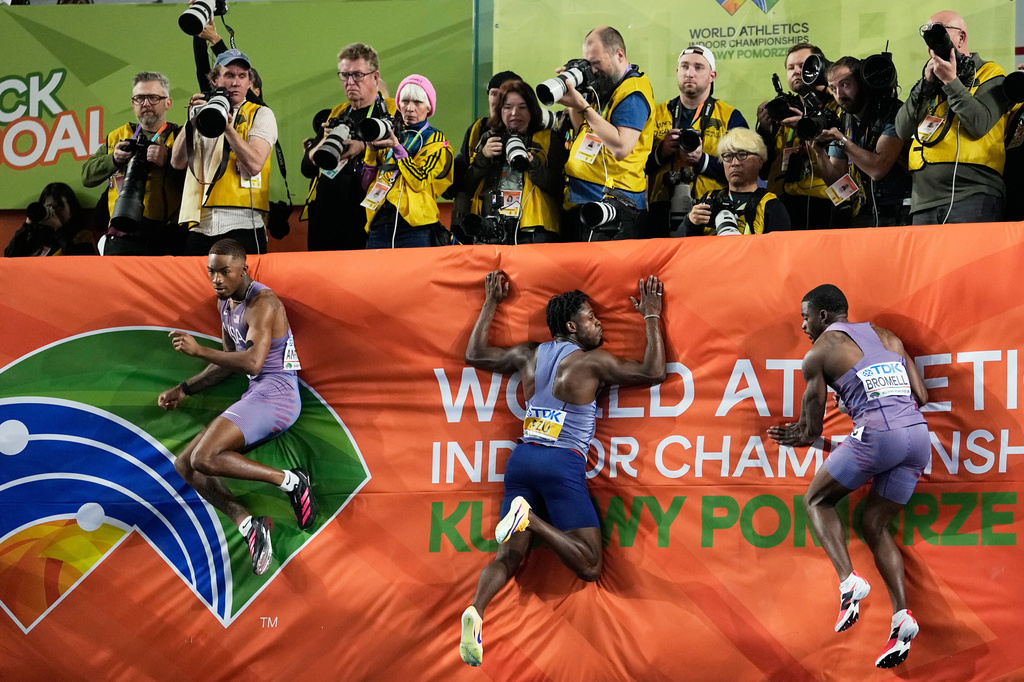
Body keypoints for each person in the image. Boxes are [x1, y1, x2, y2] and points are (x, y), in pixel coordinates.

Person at [458, 270, 666, 667]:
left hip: (521, 461)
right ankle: (531, 521)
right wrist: (652, 315)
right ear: (571, 326)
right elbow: (653, 371)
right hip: (560, 464)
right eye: (591, 317)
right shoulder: (593, 362)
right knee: (589, 565)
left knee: (508, 557)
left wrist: (491, 302)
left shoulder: (528, 354)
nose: (599, 323)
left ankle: (476, 609)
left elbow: (475, 354)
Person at [767, 284, 929, 669]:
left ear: (822, 316)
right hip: (918, 439)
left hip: (878, 436)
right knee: (873, 523)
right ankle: (901, 617)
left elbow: (809, 429)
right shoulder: (888, 337)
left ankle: (848, 581)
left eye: (805, 316)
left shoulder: (819, 354)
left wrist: (803, 437)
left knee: (816, 500)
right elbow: (920, 397)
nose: (803, 325)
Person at [158, 238, 317, 576]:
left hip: (277, 396)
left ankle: (291, 481)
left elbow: (254, 362)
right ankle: (249, 526)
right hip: (255, 394)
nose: (217, 280)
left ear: (243, 269)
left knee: (203, 458)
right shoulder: (225, 303)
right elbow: (230, 361)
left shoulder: (263, 303)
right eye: (211, 272)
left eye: (224, 272)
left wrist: (199, 350)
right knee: (185, 465)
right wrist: (185, 388)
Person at [895, 10, 1010, 225]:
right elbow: (902, 130)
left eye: (939, 33)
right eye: (928, 36)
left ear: (961, 37)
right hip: (923, 201)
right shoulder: (930, 79)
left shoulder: (990, 73)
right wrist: (926, 86)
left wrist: (951, 82)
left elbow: (979, 124)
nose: (932, 42)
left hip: (972, 195)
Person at [171, 49, 277, 256]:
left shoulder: (261, 114)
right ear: (215, 80)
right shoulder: (203, 114)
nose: (235, 82)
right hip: (200, 223)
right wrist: (191, 121)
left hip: (243, 222)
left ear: (249, 82)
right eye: (229, 75)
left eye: (242, 76)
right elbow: (177, 162)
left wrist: (227, 128)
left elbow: (255, 164)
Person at [557, 26, 656, 241]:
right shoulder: (604, 83)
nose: (592, 70)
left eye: (596, 63)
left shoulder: (633, 92)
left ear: (619, 54)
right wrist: (575, 96)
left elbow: (621, 147)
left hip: (615, 206)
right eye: (587, 63)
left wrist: (583, 106)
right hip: (584, 200)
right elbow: (582, 129)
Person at [301, 43, 397, 251]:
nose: (350, 82)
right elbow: (306, 169)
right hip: (325, 217)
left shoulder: (391, 112)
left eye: (357, 75)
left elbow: (401, 157)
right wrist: (321, 145)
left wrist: (363, 147)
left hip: (365, 217)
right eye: (344, 75)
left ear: (375, 77)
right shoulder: (337, 113)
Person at [647, 45, 748, 237]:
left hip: (710, 211)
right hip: (660, 212)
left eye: (698, 67)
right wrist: (660, 153)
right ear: (677, 71)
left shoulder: (730, 117)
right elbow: (633, 164)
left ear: (712, 75)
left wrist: (702, 161)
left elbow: (745, 172)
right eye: (684, 67)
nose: (689, 73)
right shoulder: (655, 114)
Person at [82, 72, 185, 255]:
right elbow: (87, 176)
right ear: (133, 103)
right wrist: (114, 159)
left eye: (153, 98)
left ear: (168, 102)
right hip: (122, 234)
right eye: (139, 98)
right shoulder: (118, 136)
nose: (146, 104)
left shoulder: (179, 137)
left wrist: (168, 161)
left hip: (166, 236)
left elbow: (199, 184)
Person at [756, 43, 853, 230]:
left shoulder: (838, 107)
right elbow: (763, 172)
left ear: (819, 67)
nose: (796, 71)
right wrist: (765, 132)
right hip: (780, 203)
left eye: (802, 66)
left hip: (823, 203)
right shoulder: (783, 110)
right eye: (790, 67)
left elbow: (846, 167)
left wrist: (809, 128)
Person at [808, 57, 911, 228]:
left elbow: (878, 169)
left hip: (900, 211)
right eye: (833, 88)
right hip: (864, 212)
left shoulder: (893, 112)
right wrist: (819, 153)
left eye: (845, 85)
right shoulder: (843, 120)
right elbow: (838, 184)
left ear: (862, 83)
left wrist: (842, 141)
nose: (839, 95)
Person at [460, 79, 567, 244]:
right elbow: (467, 185)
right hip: (492, 225)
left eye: (522, 107)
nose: (514, 113)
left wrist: (534, 166)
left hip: (535, 229)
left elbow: (560, 188)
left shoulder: (548, 138)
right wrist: (483, 157)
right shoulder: (489, 137)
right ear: (499, 110)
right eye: (507, 107)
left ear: (532, 110)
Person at [360, 74, 453, 248]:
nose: (410, 108)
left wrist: (397, 148)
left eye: (417, 102)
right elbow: (366, 183)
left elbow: (419, 181)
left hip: (415, 226)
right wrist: (371, 151)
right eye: (405, 101)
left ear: (428, 107)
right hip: (379, 221)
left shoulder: (436, 140)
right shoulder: (389, 133)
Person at [682, 127, 790, 236]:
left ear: (760, 161)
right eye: (728, 156)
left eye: (742, 155)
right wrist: (690, 223)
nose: (734, 163)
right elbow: (682, 242)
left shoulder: (770, 205)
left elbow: (779, 246)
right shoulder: (710, 199)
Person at [449, 69, 523, 222]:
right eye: (493, 94)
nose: (496, 101)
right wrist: (483, 157)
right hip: (481, 217)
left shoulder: (531, 131)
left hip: (522, 217)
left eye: (503, 95)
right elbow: (463, 184)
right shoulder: (477, 130)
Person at [4, 183, 96, 257]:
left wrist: (58, 229)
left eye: (59, 209)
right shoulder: (39, 235)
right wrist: (27, 225)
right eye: (49, 208)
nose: (54, 213)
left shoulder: (83, 236)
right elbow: (10, 256)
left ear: (71, 207)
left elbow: (79, 260)